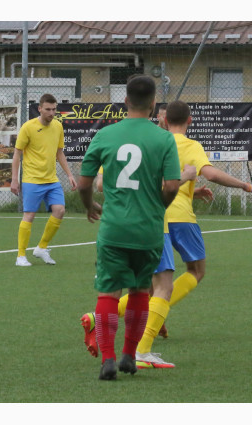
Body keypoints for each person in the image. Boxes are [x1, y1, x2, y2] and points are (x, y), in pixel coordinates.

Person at [84, 100, 252, 369]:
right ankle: (142, 349)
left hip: (146, 216)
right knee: (178, 279)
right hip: (171, 216)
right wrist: (247, 186)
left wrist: (192, 187)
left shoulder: (145, 141)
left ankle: (122, 319)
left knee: (152, 284)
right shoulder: (184, 145)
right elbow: (209, 174)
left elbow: (104, 181)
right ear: (190, 121)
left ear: (164, 120)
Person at [78, 75, 189, 380]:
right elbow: (171, 185)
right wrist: (158, 207)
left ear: (125, 101)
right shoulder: (164, 138)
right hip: (148, 230)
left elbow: (84, 183)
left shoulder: (105, 135)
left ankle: (108, 359)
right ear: (154, 105)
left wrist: (89, 206)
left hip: (114, 228)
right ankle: (130, 355)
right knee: (141, 290)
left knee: (108, 293)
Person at [10, 93, 77, 266]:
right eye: (48, 109)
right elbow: (17, 154)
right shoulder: (28, 127)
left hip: (51, 180)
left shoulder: (58, 126)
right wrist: (14, 180)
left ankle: (41, 248)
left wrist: (69, 175)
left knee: (60, 210)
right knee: (29, 215)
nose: (51, 113)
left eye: (54, 109)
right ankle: (20, 256)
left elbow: (59, 152)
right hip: (32, 179)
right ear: (40, 109)